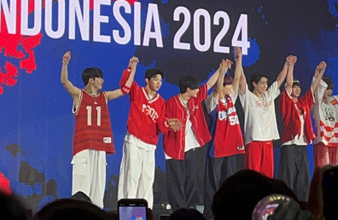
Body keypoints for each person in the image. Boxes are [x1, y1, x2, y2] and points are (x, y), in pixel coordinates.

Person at [60, 51, 137, 208]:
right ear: (91, 80)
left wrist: (132, 69)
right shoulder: (79, 95)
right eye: (99, 77)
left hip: (100, 148)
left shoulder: (105, 96)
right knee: (81, 190)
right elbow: (64, 82)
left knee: (98, 190)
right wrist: (65, 64)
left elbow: (125, 90)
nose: (102, 80)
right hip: (83, 148)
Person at [117, 65, 181, 208]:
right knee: (131, 177)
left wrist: (169, 124)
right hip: (134, 140)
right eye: (155, 79)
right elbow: (124, 84)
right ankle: (127, 212)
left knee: (147, 179)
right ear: (147, 80)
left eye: (160, 80)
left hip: (150, 145)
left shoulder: (160, 102)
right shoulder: (137, 91)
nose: (159, 83)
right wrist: (130, 68)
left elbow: (161, 125)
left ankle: (145, 212)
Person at [163, 64, 223, 211]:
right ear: (188, 90)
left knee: (191, 178)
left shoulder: (194, 100)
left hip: (190, 145)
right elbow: (163, 121)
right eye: (195, 88)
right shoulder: (171, 103)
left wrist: (221, 69)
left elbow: (208, 84)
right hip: (174, 147)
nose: (198, 90)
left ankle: (187, 207)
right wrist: (169, 124)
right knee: (176, 180)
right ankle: (178, 209)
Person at [203, 54, 245, 220]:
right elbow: (218, 89)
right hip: (217, 148)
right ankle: (210, 213)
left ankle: (227, 210)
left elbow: (236, 78)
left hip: (231, 148)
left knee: (229, 182)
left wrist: (238, 59)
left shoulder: (231, 99)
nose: (230, 88)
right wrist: (221, 72)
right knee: (213, 182)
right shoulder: (212, 101)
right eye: (228, 87)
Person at [278, 59, 325, 202]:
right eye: (294, 87)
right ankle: (286, 204)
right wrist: (291, 66)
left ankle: (303, 205)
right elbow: (288, 84)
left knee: (303, 178)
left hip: (302, 145)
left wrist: (319, 73)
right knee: (288, 178)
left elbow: (312, 89)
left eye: (298, 88)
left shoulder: (303, 103)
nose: (296, 89)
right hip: (289, 145)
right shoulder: (285, 101)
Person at [238, 54, 291, 177]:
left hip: (268, 139)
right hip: (254, 140)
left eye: (266, 83)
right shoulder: (247, 97)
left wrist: (287, 65)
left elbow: (279, 80)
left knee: (267, 175)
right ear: (254, 84)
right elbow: (241, 80)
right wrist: (239, 59)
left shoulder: (269, 95)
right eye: (262, 83)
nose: (265, 86)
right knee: (253, 174)